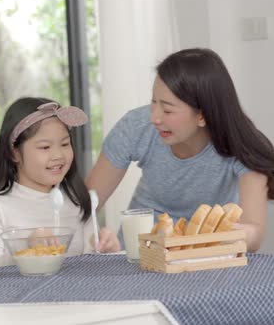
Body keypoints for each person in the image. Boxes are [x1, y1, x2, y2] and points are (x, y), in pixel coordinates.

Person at [86, 48, 274, 252]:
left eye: (167, 110)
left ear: (202, 116)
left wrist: (224, 237)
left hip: (208, 257)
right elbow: (87, 204)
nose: (155, 118)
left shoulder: (244, 147)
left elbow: (254, 233)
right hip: (142, 255)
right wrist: (101, 236)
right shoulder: (137, 126)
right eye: (153, 102)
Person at [0, 97, 120, 267]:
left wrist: (105, 249)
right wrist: (27, 248)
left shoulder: (77, 200)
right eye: (45, 147)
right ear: (14, 153)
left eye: (64, 144)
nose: (58, 156)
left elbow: (89, 264)